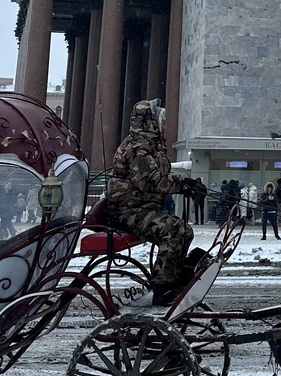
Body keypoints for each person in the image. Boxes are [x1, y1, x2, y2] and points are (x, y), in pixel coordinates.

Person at [84, 98, 202, 303]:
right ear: (150, 121)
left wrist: (186, 186)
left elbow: (158, 178)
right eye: (162, 119)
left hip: (143, 208)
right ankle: (163, 287)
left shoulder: (151, 145)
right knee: (173, 230)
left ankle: (175, 275)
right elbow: (150, 181)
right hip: (128, 211)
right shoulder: (137, 147)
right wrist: (183, 184)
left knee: (185, 230)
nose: (164, 124)